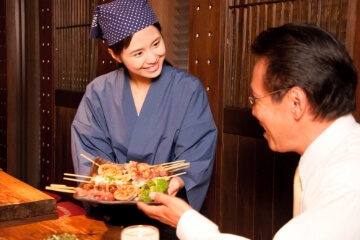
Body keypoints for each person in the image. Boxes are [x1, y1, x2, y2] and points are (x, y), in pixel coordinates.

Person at [137, 22, 360, 239]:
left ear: (296, 103)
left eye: (256, 99)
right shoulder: (337, 157)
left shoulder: (347, 186)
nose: (253, 112)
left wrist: (184, 220)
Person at [71, 0, 217, 238]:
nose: (152, 58)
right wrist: (113, 183)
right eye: (138, 53)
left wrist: (178, 181)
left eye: (156, 43)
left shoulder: (188, 89)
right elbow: (89, 153)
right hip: (114, 216)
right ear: (115, 55)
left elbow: (197, 150)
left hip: (168, 213)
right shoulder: (98, 92)